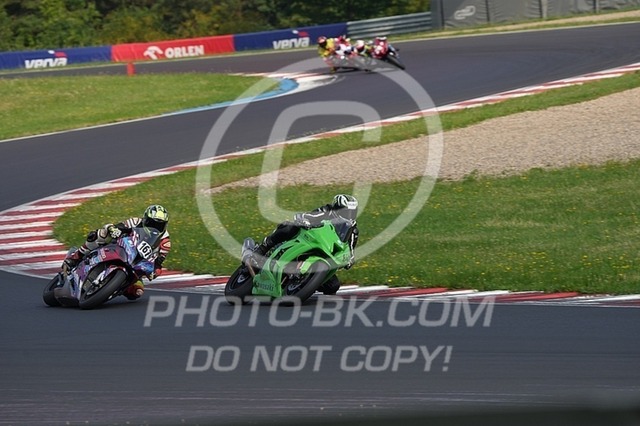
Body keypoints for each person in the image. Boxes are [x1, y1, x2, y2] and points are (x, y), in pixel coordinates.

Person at [251, 194, 359, 295]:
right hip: (309, 239)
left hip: (325, 255)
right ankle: (263, 247)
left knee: (333, 286)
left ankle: (305, 282)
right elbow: (310, 215)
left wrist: (349, 260)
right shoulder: (326, 211)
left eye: (352, 212)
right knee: (289, 227)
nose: (349, 215)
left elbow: (350, 250)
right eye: (347, 212)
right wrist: (304, 219)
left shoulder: (352, 230)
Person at [62, 204, 171, 300]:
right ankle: (76, 256)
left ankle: (113, 288)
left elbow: (158, 263)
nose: (155, 228)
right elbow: (118, 226)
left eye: (159, 225)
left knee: (137, 292)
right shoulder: (136, 222)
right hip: (122, 247)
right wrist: (114, 230)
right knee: (101, 234)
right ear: (145, 219)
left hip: (136, 265)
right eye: (152, 223)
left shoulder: (165, 242)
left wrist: (155, 272)